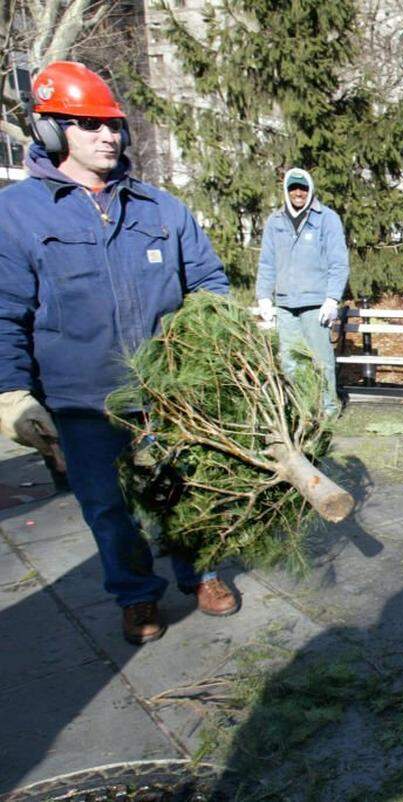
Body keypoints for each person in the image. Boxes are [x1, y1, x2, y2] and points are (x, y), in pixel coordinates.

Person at [0, 61, 238, 645]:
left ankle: (201, 574)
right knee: (110, 510)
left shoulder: (160, 209)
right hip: (84, 401)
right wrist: (10, 392)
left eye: (114, 125)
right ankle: (136, 596)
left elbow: (209, 282)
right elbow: (4, 311)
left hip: (169, 395)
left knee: (187, 491)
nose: (109, 136)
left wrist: (214, 348)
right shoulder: (17, 216)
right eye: (88, 124)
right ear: (51, 131)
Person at [254, 168, 349, 417]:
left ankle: (328, 408)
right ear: (286, 191)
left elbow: (338, 263)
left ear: (310, 190)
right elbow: (267, 262)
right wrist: (264, 296)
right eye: (293, 188)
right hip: (285, 304)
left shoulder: (326, 219)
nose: (298, 193)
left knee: (322, 360)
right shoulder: (275, 222)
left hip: (316, 304)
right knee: (291, 362)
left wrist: (332, 298)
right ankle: (301, 408)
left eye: (303, 188)